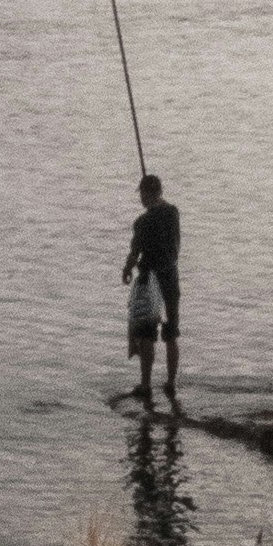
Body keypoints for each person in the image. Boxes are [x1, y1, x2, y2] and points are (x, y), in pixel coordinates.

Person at [121, 169, 182, 410]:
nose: (140, 199)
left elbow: (135, 254)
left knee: (146, 334)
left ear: (147, 194)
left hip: (149, 280)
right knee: (172, 332)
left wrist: (126, 270)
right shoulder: (173, 213)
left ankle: (146, 384)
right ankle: (170, 382)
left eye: (142, 194)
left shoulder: (142, 222)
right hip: (170, 276)